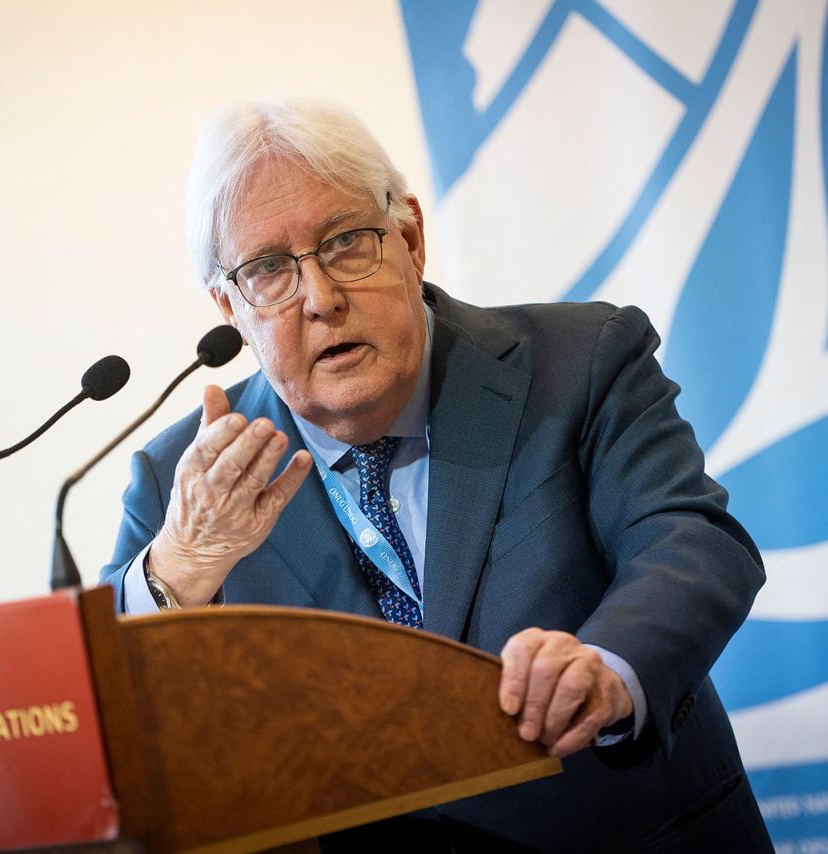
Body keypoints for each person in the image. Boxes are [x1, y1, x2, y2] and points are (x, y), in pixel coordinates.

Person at [100, 99, 772, 852]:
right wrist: (177, 572)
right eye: (268, 272)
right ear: (230, 306)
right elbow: (106, 722)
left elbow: (689, 541)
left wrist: (609, 668)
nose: (321, 299)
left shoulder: (580, 361)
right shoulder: (183, 481)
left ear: (410, 238)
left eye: (347, 243)